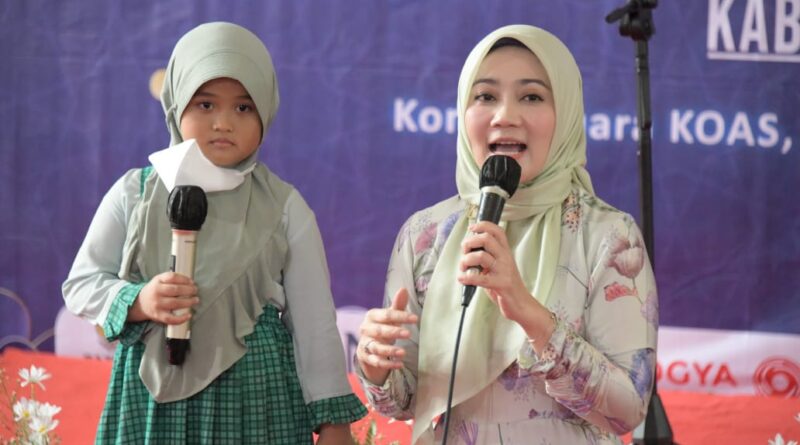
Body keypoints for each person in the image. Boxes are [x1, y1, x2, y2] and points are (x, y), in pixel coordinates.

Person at [62, 22, 366, 444]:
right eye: (205, 104)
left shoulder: (284, 207)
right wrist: (139, 300)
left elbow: (314, 324)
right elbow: (82, 284)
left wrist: (333, 424)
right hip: (151, 400)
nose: (223, 123)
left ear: (266, 111)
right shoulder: (135, 192)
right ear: (176, 103)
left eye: (243, 108)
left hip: (257, 401)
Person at [355, 24, 657, 444]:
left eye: (531, 96)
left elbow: (628, 410)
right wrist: (376, 366)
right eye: (485, 97)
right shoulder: (425, 235)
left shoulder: (609, 235)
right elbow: (405, 403)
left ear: (566, 113)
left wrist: (527, 311)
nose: (505, 116)